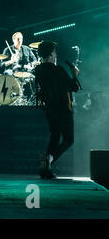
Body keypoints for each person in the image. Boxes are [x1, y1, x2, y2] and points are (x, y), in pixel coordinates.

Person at [34, 41, 81, 179]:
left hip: (50, 109)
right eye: (55, 52)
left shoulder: (39, 70)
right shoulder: (58, 70)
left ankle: (46, 170)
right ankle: (48, 161)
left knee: (54, 137)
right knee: (68, 139)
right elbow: (75, 87)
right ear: (51, 54)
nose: (56, 55)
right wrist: (75, 74)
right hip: (63, 109)